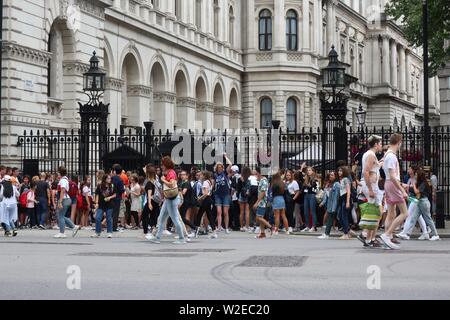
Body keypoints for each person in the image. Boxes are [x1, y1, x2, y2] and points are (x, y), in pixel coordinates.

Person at [379, 133, 409, 250]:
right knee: (405, 213)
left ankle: (387, 236)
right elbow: (393, 176)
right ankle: (387, 235)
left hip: (388, 184)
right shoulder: (392, 156)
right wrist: (402, 189)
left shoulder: (387, 155)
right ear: (399, 143)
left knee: (391, 213)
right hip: (392, 184)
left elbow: (384, 169)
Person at [148, 156, 186, 244]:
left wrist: (163, 180)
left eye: (163, 164)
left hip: (171, 199)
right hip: (169, 199)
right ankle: (157, 238)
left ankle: (181, 238)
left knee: (175, 219)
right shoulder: (169, 172)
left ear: (166, 164)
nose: (161, 166)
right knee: (161, 218)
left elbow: (172, 185)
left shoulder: (171, 173)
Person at [357, 135, 385, 248]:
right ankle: (368, 238)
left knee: (376, 212)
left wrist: (382, 161)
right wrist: (369, 189)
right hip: (371, 186)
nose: (381, 145)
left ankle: (369, 237)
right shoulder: (370, 155)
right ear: (375, 144)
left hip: (373, 185)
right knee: (376, 212)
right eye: (380, 143)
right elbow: (366, 172)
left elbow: (375, 167)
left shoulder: (371, 155)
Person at [399, 168, 440, 241]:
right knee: (413, 218)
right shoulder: (420, 183)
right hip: (419, 201)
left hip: (423, 202)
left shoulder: (423, 183)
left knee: (428, 219)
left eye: (416, 175)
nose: (415, 176)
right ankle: (407, 234)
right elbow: (414, 192)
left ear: (419, 176)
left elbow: (417, 192)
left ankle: (435, 234)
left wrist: (413, 185)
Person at [397, 166, 428, 240]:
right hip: (414, 198)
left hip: (415, 199)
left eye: (409, 169)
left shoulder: (416, 179)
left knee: (408, 214)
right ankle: (425, 233)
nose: (408, 170)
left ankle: (405, 232)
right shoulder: (410, 178)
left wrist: (408, 186)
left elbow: (416, 190)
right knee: (419, 217)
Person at [54, 166, 80, 238]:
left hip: (64, 199)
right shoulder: (64, 179)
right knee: (62, 215)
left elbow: (62, 191)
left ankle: (62, 233)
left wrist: (60, 202)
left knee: (60, 216)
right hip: (66, 199)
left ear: (59, 172)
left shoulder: (63, 180)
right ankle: (74, 226)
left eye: (58, 171)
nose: (57, 173)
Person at [91, 174, 115, 238]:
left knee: (109, 218)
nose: (109, 180)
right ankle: (97, 232)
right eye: (108, 178)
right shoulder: (100, 186)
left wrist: (110, 197)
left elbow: (115, 194)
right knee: (98, 217)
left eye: (110, 178)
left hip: (109, 204)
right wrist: (96, 203)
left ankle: (109, 232)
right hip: (101, 204)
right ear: (105, 179)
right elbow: (97, 194)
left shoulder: (112, 186)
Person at [213, 155, 233, 233]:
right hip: (218, 194)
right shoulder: (215, 175)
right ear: (216, 168)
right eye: (218, 167)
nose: (220, 168)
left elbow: (230, 164)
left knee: (225, 212)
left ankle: (226, 228)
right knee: (219, 212)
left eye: (221, 167)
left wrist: (225, 156)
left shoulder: (225, 173)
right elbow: (213, 184)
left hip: (226, 194)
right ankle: (219, 227)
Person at [318, 171, 340, 239]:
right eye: (330, 175)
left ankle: (326, 234)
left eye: (332, 175)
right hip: (329, 204)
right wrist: (322, 203)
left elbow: (336, 196)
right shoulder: (328, 184)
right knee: (330, 219)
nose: (331, 176)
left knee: (333, 218)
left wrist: (334, 206)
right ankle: (326, 233)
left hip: (334, 204)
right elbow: (326, 196)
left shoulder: (336, 184)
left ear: (335, 176)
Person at [253, 167, 272, 239]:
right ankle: (262, 233)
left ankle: (270, 227)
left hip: (262, 202)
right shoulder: (262, 180)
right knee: (260, 217)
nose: (255, 173)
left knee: (258, 217)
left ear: (259, 172)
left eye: (256, 172)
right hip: (262, 201)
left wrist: (257, 202)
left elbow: (263, 192)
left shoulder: (263, 181)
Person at [302, 167, 320, 232]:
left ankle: (313, 226)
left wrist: (311, 187)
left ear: (313, 171)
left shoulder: (315, 179)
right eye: (307, 170)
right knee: (306, 211)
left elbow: (317, 189)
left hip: (312, 195)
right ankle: (307, 226)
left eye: (309, 170)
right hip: (306, 195)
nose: (308, 171)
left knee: (312, 211)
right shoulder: (306, 179)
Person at [337, 166, 352, 240]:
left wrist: (347, 202)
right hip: (342, 199)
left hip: (345, 198)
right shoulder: (341, 179)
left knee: (343, 217)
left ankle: (346, 233)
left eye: (341, 171)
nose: (339, 172)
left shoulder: (346, 179)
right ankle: (348, 231)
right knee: (340, 216)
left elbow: (348, 191)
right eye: (339, 171)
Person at [111, 165, 125, 232]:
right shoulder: (120, 180)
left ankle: (110, 226)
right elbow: (122, 190)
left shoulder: (112, 178)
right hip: (117, 197)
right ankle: (114, 227)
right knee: (116, 213)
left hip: (111, 197)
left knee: (110, 212)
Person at [238, 166, 251, 232]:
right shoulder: (249, 180)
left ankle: (241, 226)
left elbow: (238, 189)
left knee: (241, 212)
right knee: (247, 211)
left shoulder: (240, 179)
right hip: (247, 196)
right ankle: (247, 226)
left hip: (241, 195)